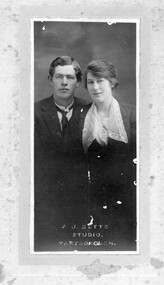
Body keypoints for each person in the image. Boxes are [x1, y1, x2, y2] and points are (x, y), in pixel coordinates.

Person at [66, 59, 137, 251]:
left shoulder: (132, 114)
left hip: (127, 198)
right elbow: (71, 160)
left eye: (100, 81)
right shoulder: (79, 116)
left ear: (112, 83)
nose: (95, 87)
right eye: (90, 82)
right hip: (91, 199)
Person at [34, 56, 88, 251]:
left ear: (78, 82)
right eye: (59, 77)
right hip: (44, 203)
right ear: (50, 79)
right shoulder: (33, 112)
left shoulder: (92, 111)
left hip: (82, 202)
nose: (64, 82)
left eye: (70, 77)